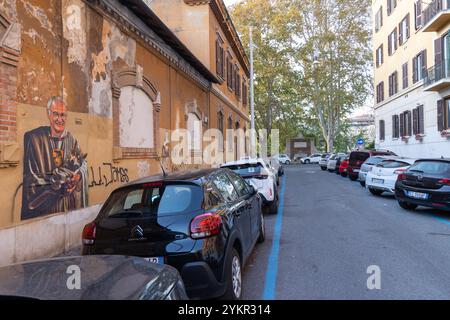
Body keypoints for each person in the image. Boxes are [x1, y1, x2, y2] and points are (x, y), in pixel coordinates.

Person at [21, 97, 88, 220]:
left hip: (67, 209)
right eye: (56, 114)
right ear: (48, 114)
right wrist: (59, 183)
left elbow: (83, 163)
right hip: (45, 215)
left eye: (63, 115)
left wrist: (78, 177)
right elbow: (31, 179)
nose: (60, 119)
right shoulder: (34, 139)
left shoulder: (71, 140)